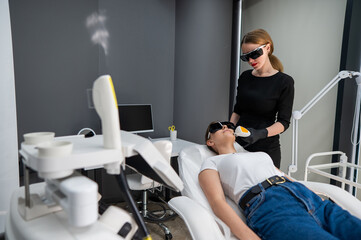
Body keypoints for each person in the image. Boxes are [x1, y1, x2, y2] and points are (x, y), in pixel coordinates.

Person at [199, 121, 361, 240]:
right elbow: (217, 203)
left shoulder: (254, 154)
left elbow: (286, 176)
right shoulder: (211, 162)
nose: (225, 127)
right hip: (270, 205)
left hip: (308, 199)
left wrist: (317, 197)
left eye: (227, 125)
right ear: (210, 141)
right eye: (216, 127)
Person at [230, 29, 294, 168]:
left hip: (266, 150)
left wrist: (260, 133)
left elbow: (283, 122)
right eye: (246, 57)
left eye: (254, 54)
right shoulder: (245, 77)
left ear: (268, 47)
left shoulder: (284, 82)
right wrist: (230, 129)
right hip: (239, 146)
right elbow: (237, 111)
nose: (251, 60)